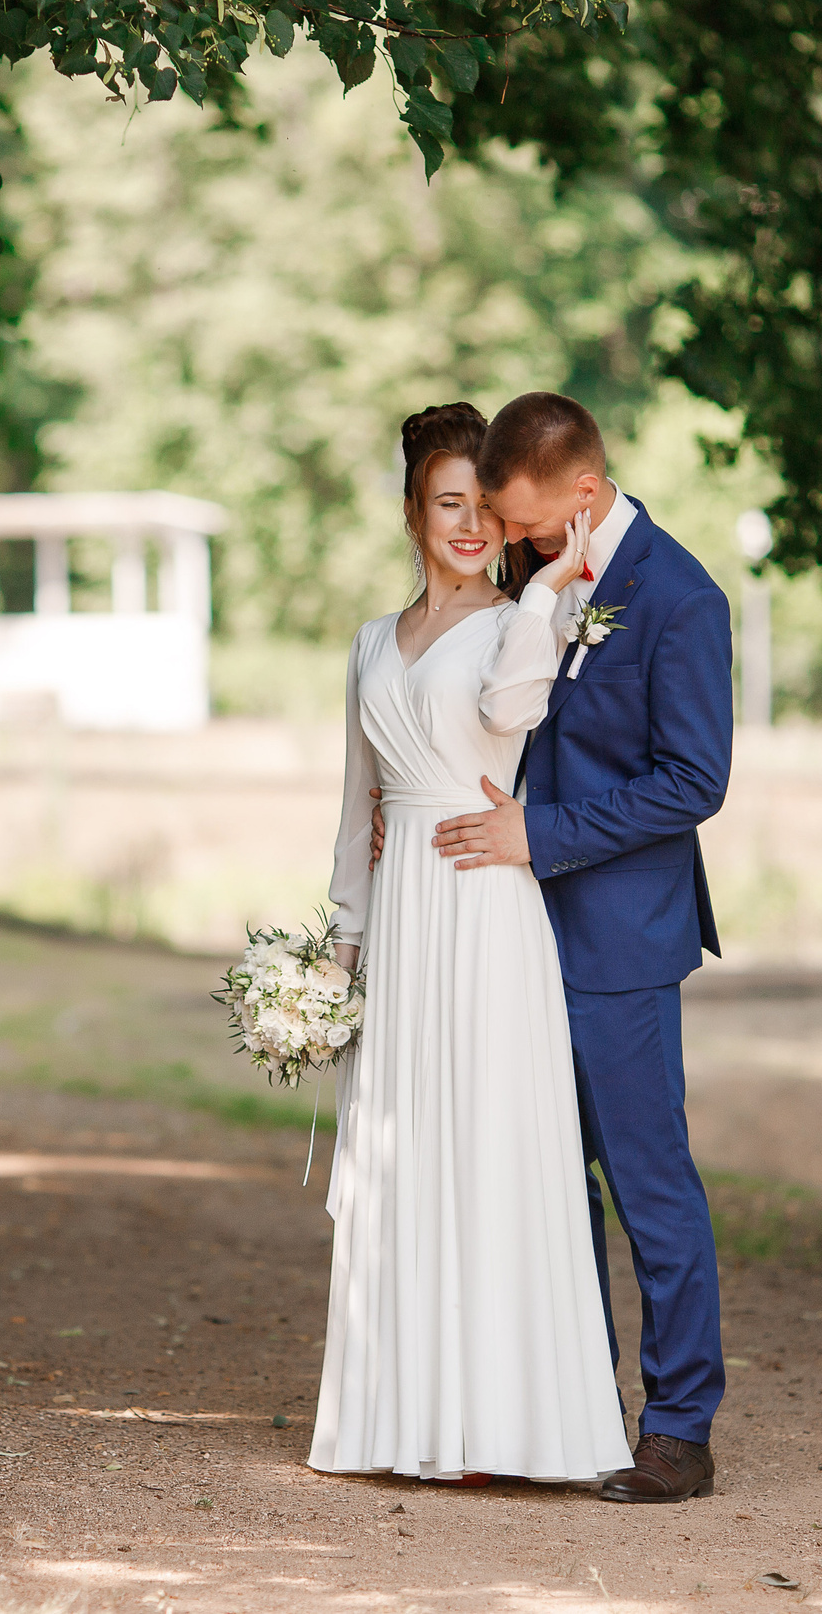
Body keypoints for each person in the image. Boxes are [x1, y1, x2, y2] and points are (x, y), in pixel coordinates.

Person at [382, 391, 734, 1504]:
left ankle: (679, 1427)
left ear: (584, 491)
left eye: (530, 521)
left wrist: (541, 831)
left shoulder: (679, 598)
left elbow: (694, 780)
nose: (516, 539)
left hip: (618, 939)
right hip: (511, 933)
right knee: (546, 1185)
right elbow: (512, 715)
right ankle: (574, 1406)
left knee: (647, 1184)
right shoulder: (545, 581)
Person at [306, 402, 634, 1487]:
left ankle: (504, 1425)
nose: (470, 527)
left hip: (485, 906)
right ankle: (404, 1419)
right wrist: (335, 955)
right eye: (450, 504)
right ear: (412, 509)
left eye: (485, 509)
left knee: (488, 1146)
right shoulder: (366, 644)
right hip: (403, 918)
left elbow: (510, 711)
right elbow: (359, 810)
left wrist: (541, 594)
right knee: (404, 1148)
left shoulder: (512, 624)